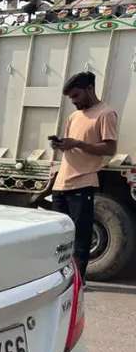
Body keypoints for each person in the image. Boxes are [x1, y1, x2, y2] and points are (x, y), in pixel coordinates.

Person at [49, 70, 118, 279]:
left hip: (82, 183)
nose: (74, 102)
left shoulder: (106, 113)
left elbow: (109, 149)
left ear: (90, 89)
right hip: (61, 185)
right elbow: (73, 147)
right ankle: (60, 280)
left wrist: (78, 143)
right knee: (60, 239)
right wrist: (62, 145)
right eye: (71, 98)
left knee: (80, 239)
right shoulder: (73, 116)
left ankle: (78, 283)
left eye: (76, 96)